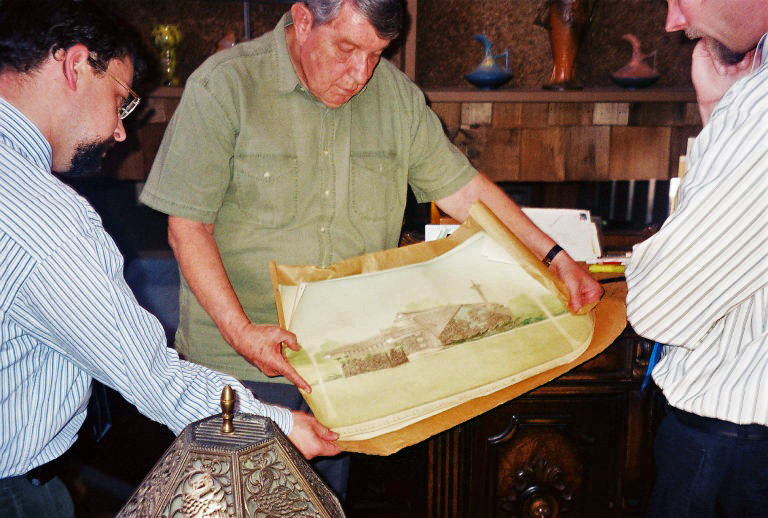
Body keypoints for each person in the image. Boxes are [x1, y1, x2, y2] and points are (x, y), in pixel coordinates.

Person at [139, 0, 603, 498]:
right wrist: (243, 333)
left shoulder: (397, 99)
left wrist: (555, 258)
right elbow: (188, 228)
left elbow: (465, 193)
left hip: (341, 371)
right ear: (302, 20)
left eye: (377, 54)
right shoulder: (225, 86)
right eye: (346, 48)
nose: (360, 74)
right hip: (234, 372)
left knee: (319, 504)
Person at [0, 1, 340, 516]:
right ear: (74, 65)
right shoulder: (45, 216)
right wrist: (288, 426)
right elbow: (155, 379)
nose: (120, 130)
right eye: (121, 99)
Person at [625, 1, 768, 516]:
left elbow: (660, 306)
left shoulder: (762, 107)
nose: (672, 23)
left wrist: (639, 266)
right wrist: (716, 110)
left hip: (733, 450)